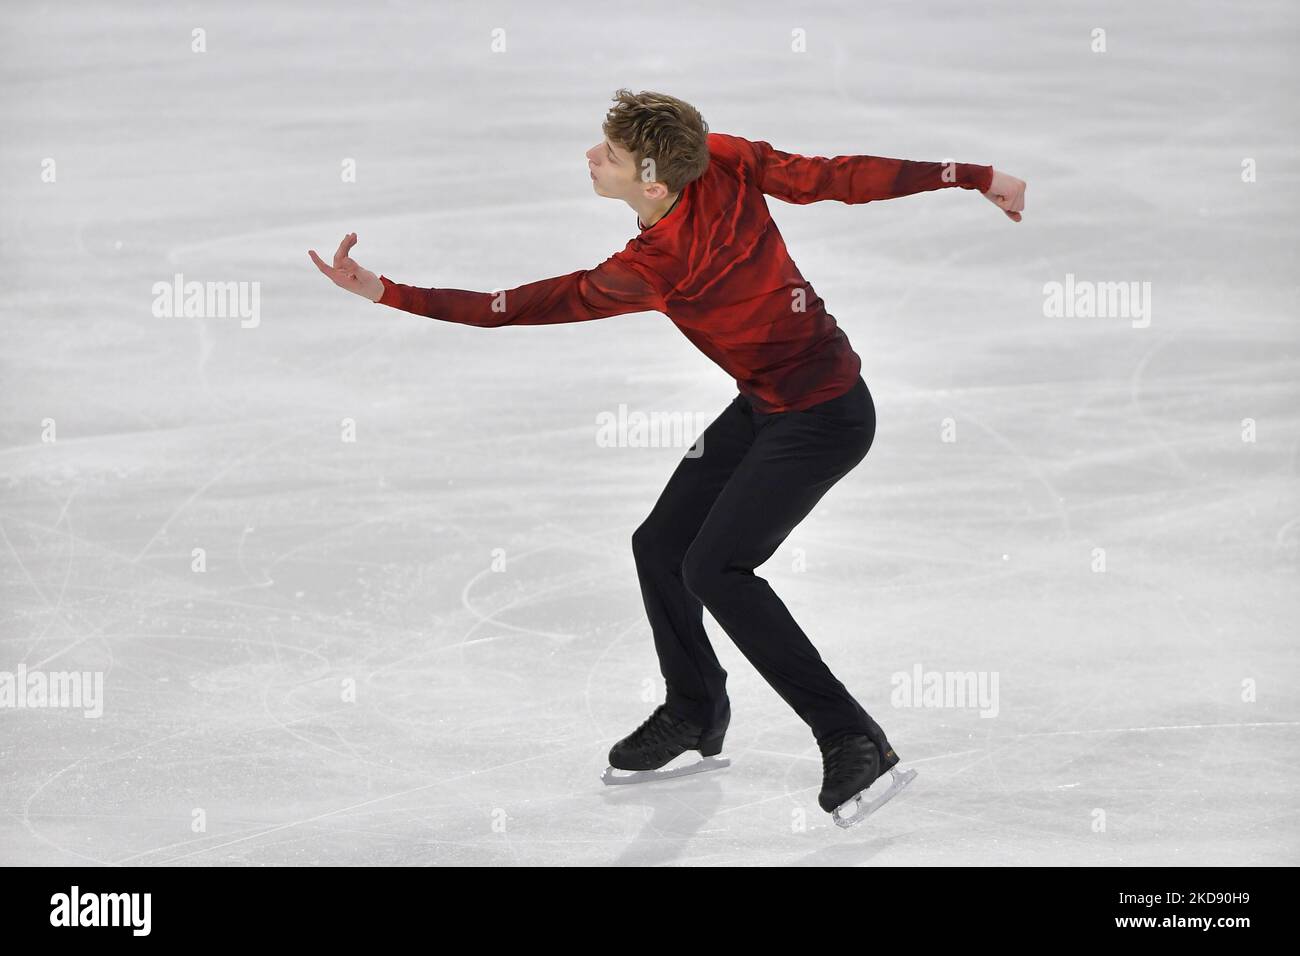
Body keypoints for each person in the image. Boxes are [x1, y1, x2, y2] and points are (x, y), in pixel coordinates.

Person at [308, 88, 1026, 820]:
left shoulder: (658, 260)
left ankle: (852, 737)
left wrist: (386, 293)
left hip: (826, 416)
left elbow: (517, 305)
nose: (592, 157)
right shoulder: (716, 158)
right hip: (764, 404)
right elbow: (834, 178)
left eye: (609, 155)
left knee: (716, 568)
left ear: (652, 183)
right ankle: (695, 709)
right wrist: (970, 174)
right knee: (660, 546)